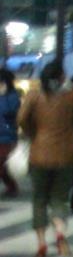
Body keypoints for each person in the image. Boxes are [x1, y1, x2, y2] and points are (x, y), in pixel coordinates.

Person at [18, 61, 73, 257]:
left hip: (39, 154)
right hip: (65, 155)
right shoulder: (72, 97)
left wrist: (32, 133)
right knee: (59, 199)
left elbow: (21, 119)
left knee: (39, 200)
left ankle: (42, 243)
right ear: (61, 77)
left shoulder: (34, 96)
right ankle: (60, 233)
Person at [0, 68, 21, 198]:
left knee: (2, 165)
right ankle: (11, 186)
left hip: (7, 136)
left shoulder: (13, 96)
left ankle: (12, 186)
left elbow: (10, 111)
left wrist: (3, 96)